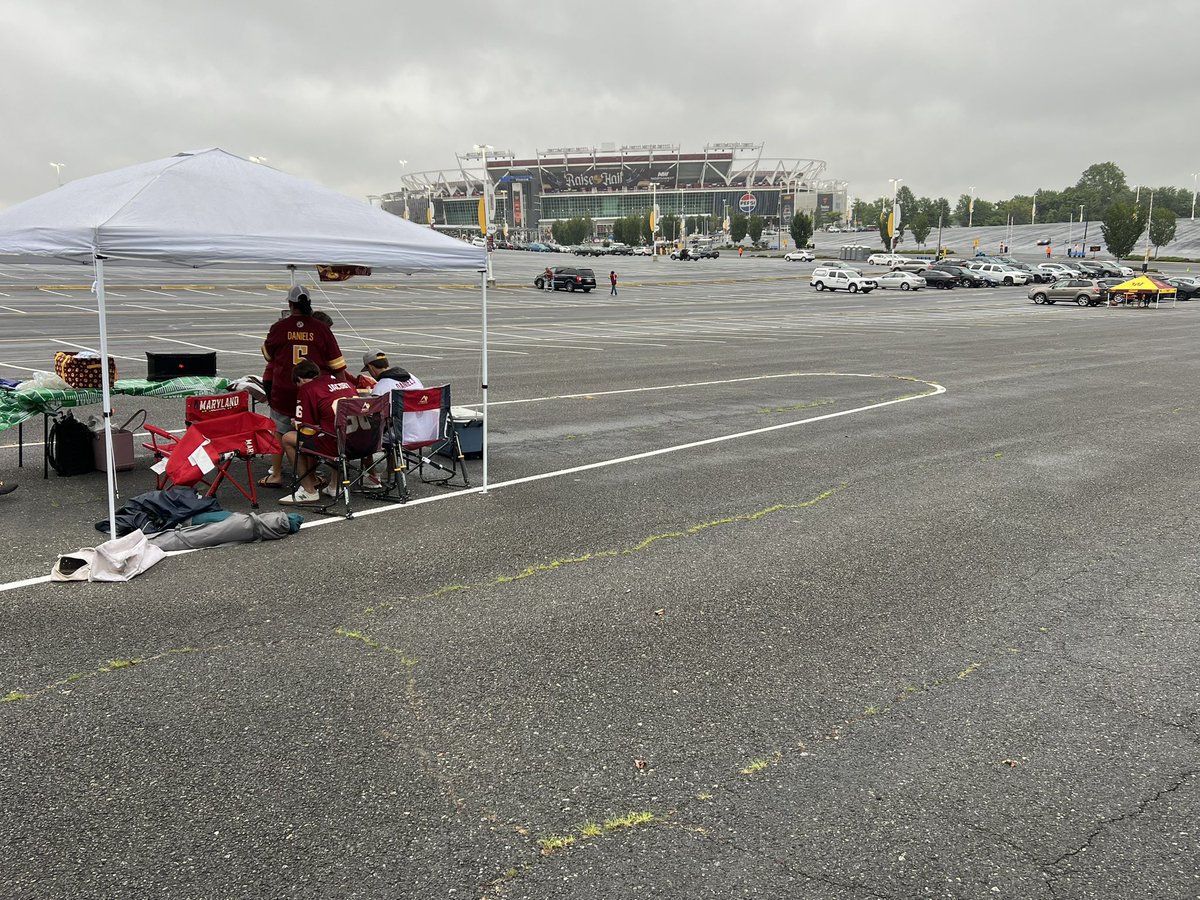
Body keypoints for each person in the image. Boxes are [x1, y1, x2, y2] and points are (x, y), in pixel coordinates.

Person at [260, 286, 348, 488]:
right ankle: (312, 477)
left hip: (284, 391)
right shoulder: (321, 329)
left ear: (290, 305)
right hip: (314, 393)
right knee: (312, 433)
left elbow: (268, 355)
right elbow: (337, 365)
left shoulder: (279, 327)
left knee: (280, 432)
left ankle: (277, 474)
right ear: (309, 303)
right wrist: (344, 387)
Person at [279, 360, 359, 504]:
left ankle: (309, 490)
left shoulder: (308, 388)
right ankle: (335, 485)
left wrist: (297, 423)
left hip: (337, 444)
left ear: (302, 379)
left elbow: (307, 431)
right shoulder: (346, 383)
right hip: (360, 441)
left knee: (287, 438)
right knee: (336, 429)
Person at [362, 350, 437, 448]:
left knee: (368, 431)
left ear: (371, 368)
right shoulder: (412, 377)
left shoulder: (381, 387)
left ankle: (381, 462)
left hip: (402, 436)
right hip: (426, 431)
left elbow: (378, 419)